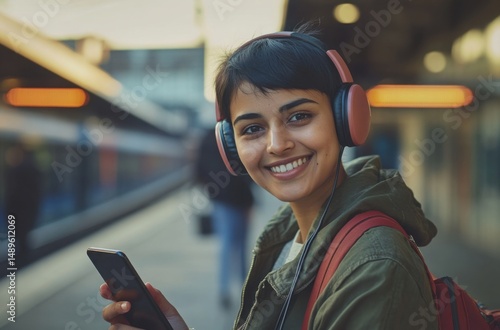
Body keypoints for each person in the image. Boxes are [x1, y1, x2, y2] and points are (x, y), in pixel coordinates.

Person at [99, 24, 439, 329]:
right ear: (230, 146)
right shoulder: (289, 234)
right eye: (252, 129)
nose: (277, 145)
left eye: (299, 116)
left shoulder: (374, 268)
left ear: (345, 120)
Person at [194, 127, 255, 309]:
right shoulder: (237, 132)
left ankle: (224, 290)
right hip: (240, 199)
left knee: (226, 245)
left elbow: (198, 168)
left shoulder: (206, 136)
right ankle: (246, 288)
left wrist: (210, 189)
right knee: (243, 245)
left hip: (221, 199)